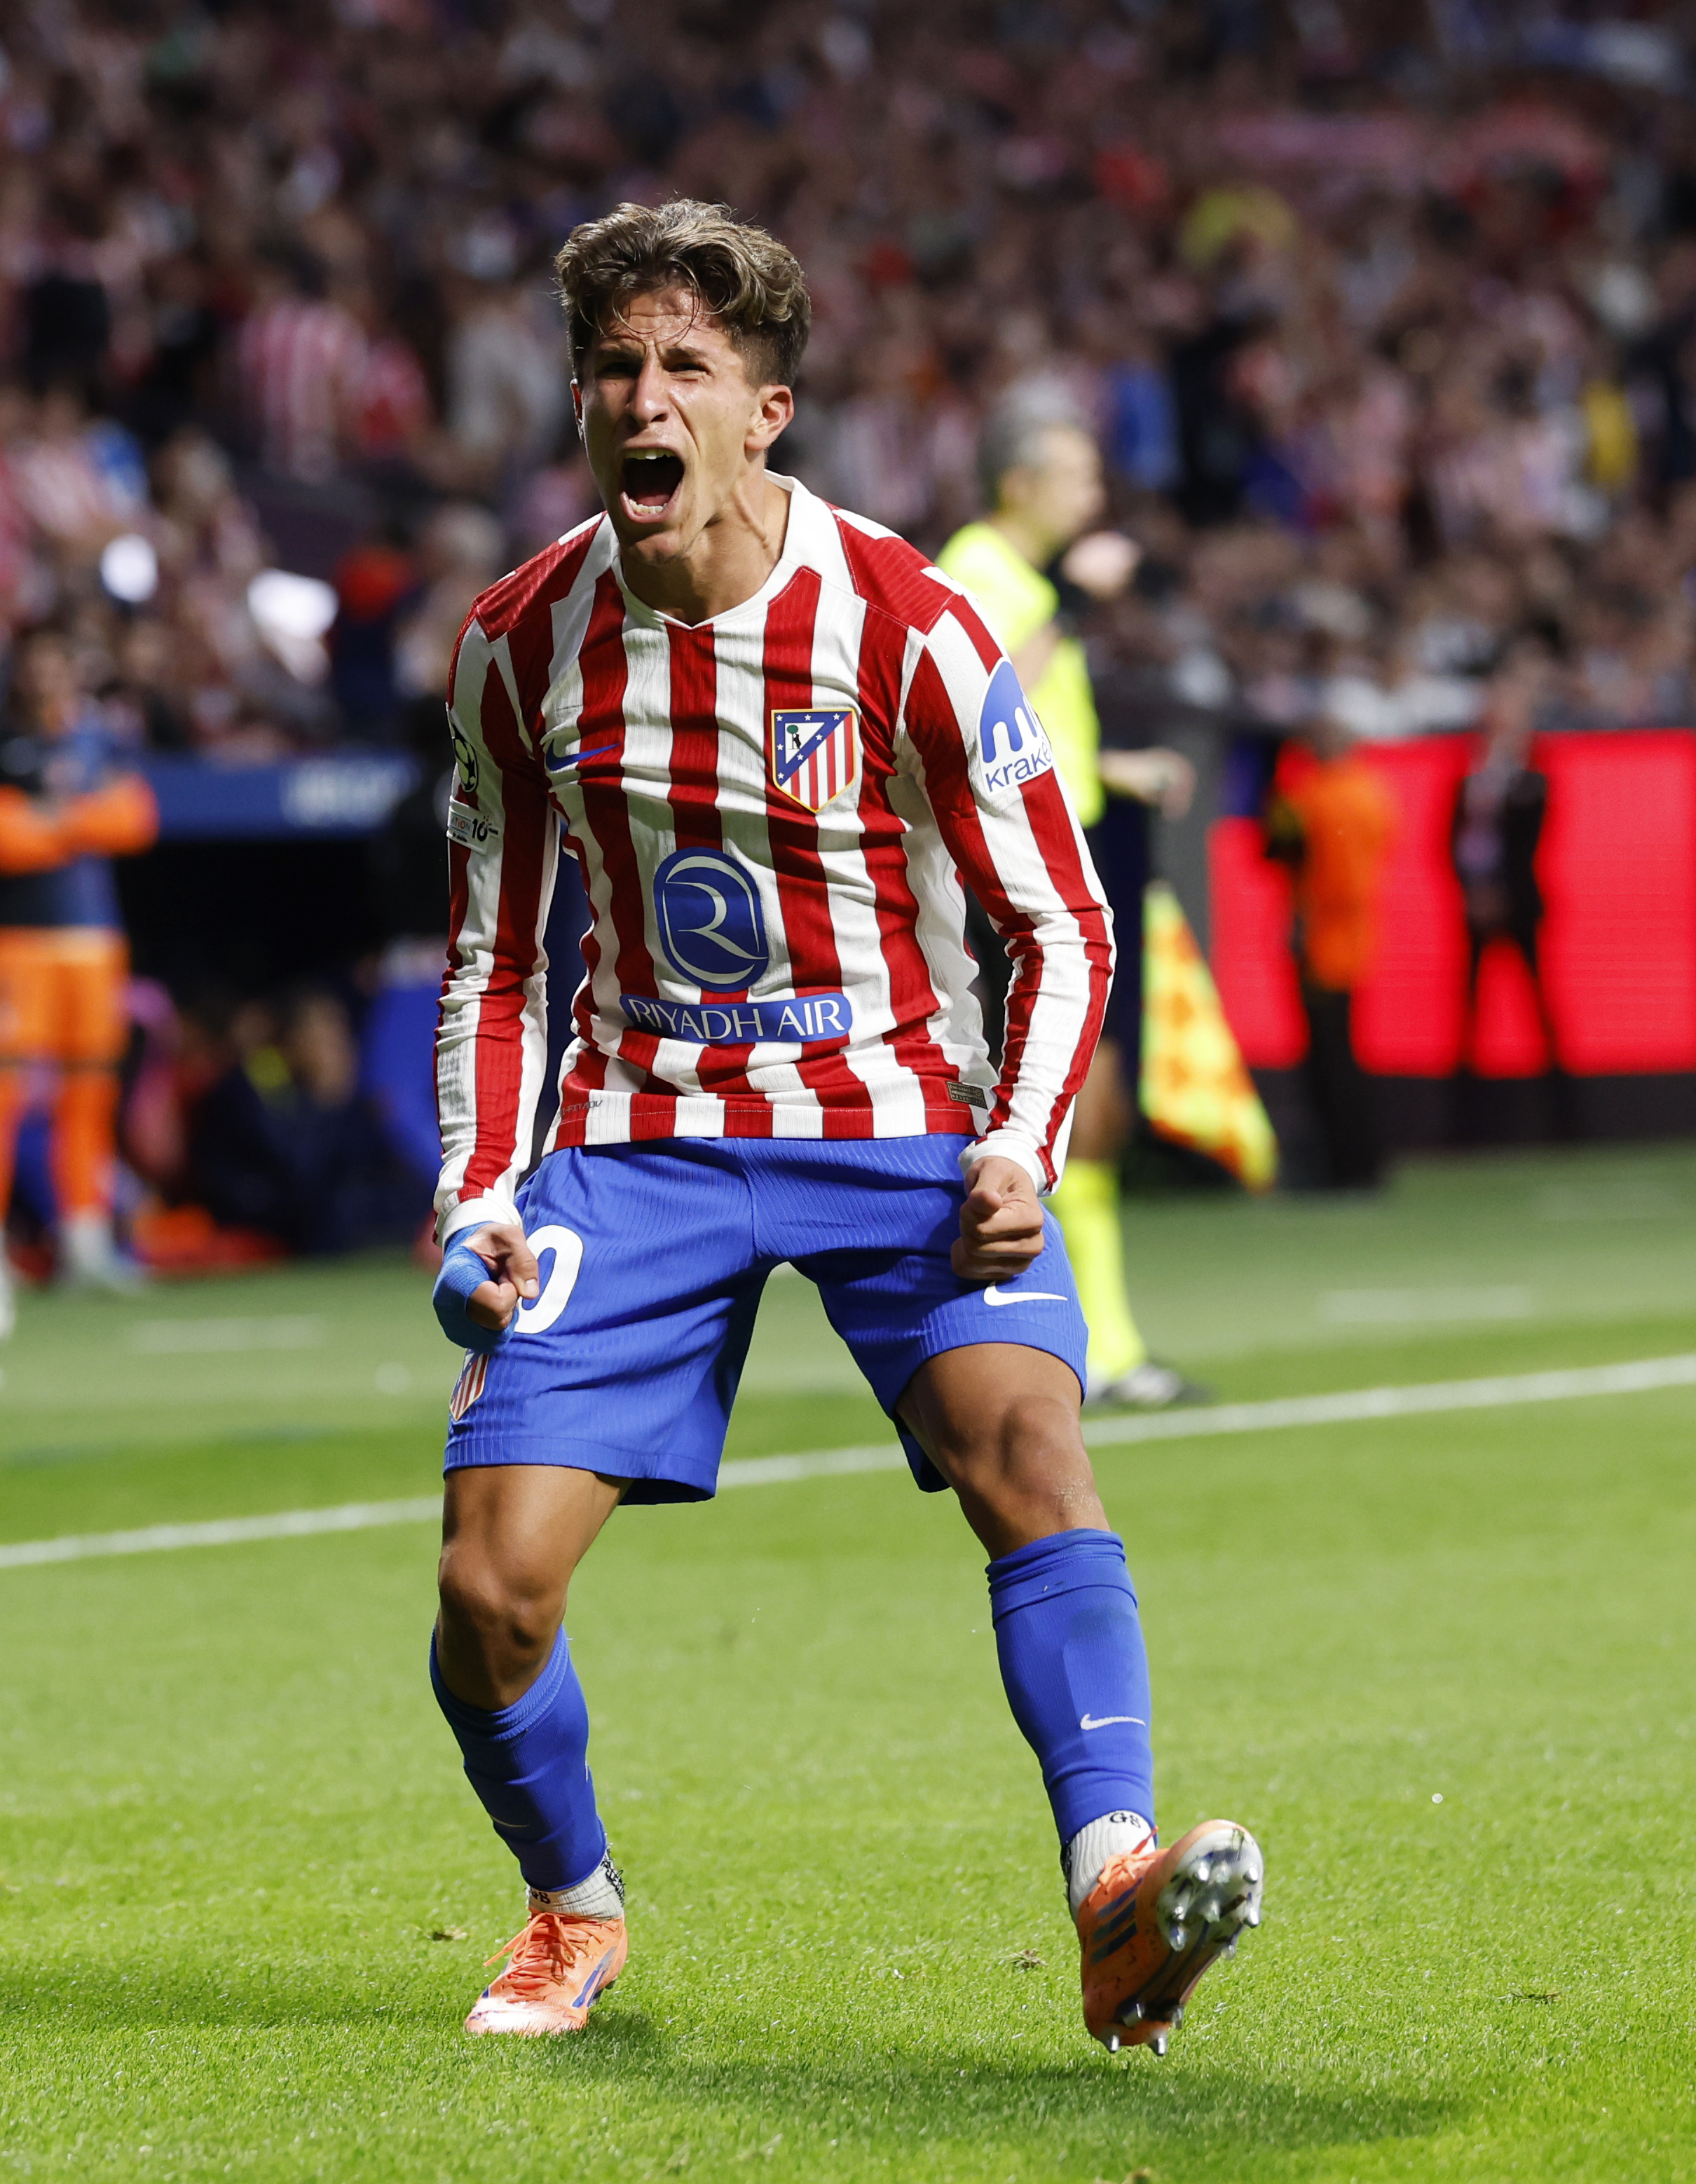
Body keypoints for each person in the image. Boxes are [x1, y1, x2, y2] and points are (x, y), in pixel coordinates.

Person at [426, 201, 1261, 2052]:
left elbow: (1062, 920)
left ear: (766, 409)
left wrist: (1019, 1143)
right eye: (613, 367)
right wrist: (476, 1188)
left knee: (1029, 1443)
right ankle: (571, 1904)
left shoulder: (905, 624)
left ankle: (1115, 1886)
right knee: (489, 1584)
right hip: (636, 1134)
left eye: (684, 367)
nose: (642, 400)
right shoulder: (515, 641)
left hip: (892, 1115)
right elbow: (493, 955)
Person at [941, 400, 1201, 1408]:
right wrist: (1074, 601)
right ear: (1020, 485)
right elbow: (983, 698)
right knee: (1065, 1092)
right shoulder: (978, 567)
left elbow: (1035, 730)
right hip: (1015, 866)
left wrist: (1116, 768)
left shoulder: (1019, 576)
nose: (1094, 496)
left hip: (1070, 840)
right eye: (1077, 477)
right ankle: (1076, 1344)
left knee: (1092, 1097)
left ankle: (1103, 1341)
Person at [0, 624, 158, 1285]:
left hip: (93, 943)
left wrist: (49, 820)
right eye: (34, 664)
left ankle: (85, 1243)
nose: (45, 676)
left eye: (57, 663)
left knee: (90, 1093)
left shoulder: (104, 737)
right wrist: (87, 818)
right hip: (14, 942)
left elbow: (136, 819)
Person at [1264, 704, 1395, 1192]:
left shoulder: (1313, 795)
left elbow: (1278, 847)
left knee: (1327, 1059)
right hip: (1354, 937)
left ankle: (1337, 1164)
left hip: (1319, 940)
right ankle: (1359, 1161)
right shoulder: (1372, 791)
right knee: (1343, 1054)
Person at [1450, 674, 1561, 1102]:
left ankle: (1559, 1101)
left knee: (1539, 1000)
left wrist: (1500, 893)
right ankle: (1467, 1100)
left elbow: (1527, 842)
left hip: (1518, 903)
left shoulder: (1531, 779)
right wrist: (1473, 892)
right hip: (1476, 903)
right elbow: (1451, 842)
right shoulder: (1470, 778)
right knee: (1469, 1007)